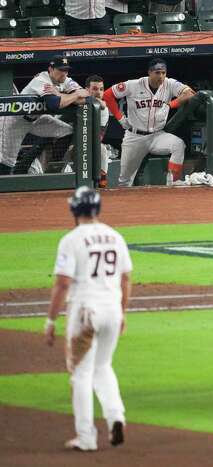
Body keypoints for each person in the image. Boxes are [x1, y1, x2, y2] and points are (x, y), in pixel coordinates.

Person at [45, 187, 131, 451]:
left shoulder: (71, 240)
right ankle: (116, 416)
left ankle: (86, 437)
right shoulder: (115, 236)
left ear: (75, 210)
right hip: (112, 311)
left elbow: (61, 284)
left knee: (81, 374)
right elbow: (126, 277)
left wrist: (50, 320)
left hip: (85, 312)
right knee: (103, 366)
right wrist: (123, 311)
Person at [103, 58, 196, 186]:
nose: (161, 76)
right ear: (149, 72)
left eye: (163, 72)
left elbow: (190, 93)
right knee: (125, 181)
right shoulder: (134, 84)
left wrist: (171, 104)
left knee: (178, 145)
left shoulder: (169, 84)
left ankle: (173, 181)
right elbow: (108, 95)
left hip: (157, 135)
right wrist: (119, 118)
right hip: (135, 137)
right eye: (157, 73)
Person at [0, 56, 88, 175]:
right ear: (50, 69)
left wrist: (60, 94)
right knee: (7, 161)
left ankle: (52, 169)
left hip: (37, 119)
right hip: (16, 121)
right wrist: (75, 95)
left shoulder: (66, 80)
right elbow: (54, 104)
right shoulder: (42, 80)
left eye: (66, 70)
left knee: (67, 131)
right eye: (60, 70)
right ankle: (6, 188)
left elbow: (86, 97)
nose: (64, 73)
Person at [85, 75, 111, 188]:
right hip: (65, 144)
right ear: (87, 90)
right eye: (94, 89)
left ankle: (101, 181)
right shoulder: (76, 100)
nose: (99, 92)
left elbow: (97, 137)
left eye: (101, 89)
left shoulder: (103, 110)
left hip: (86, 146)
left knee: (102, 148)